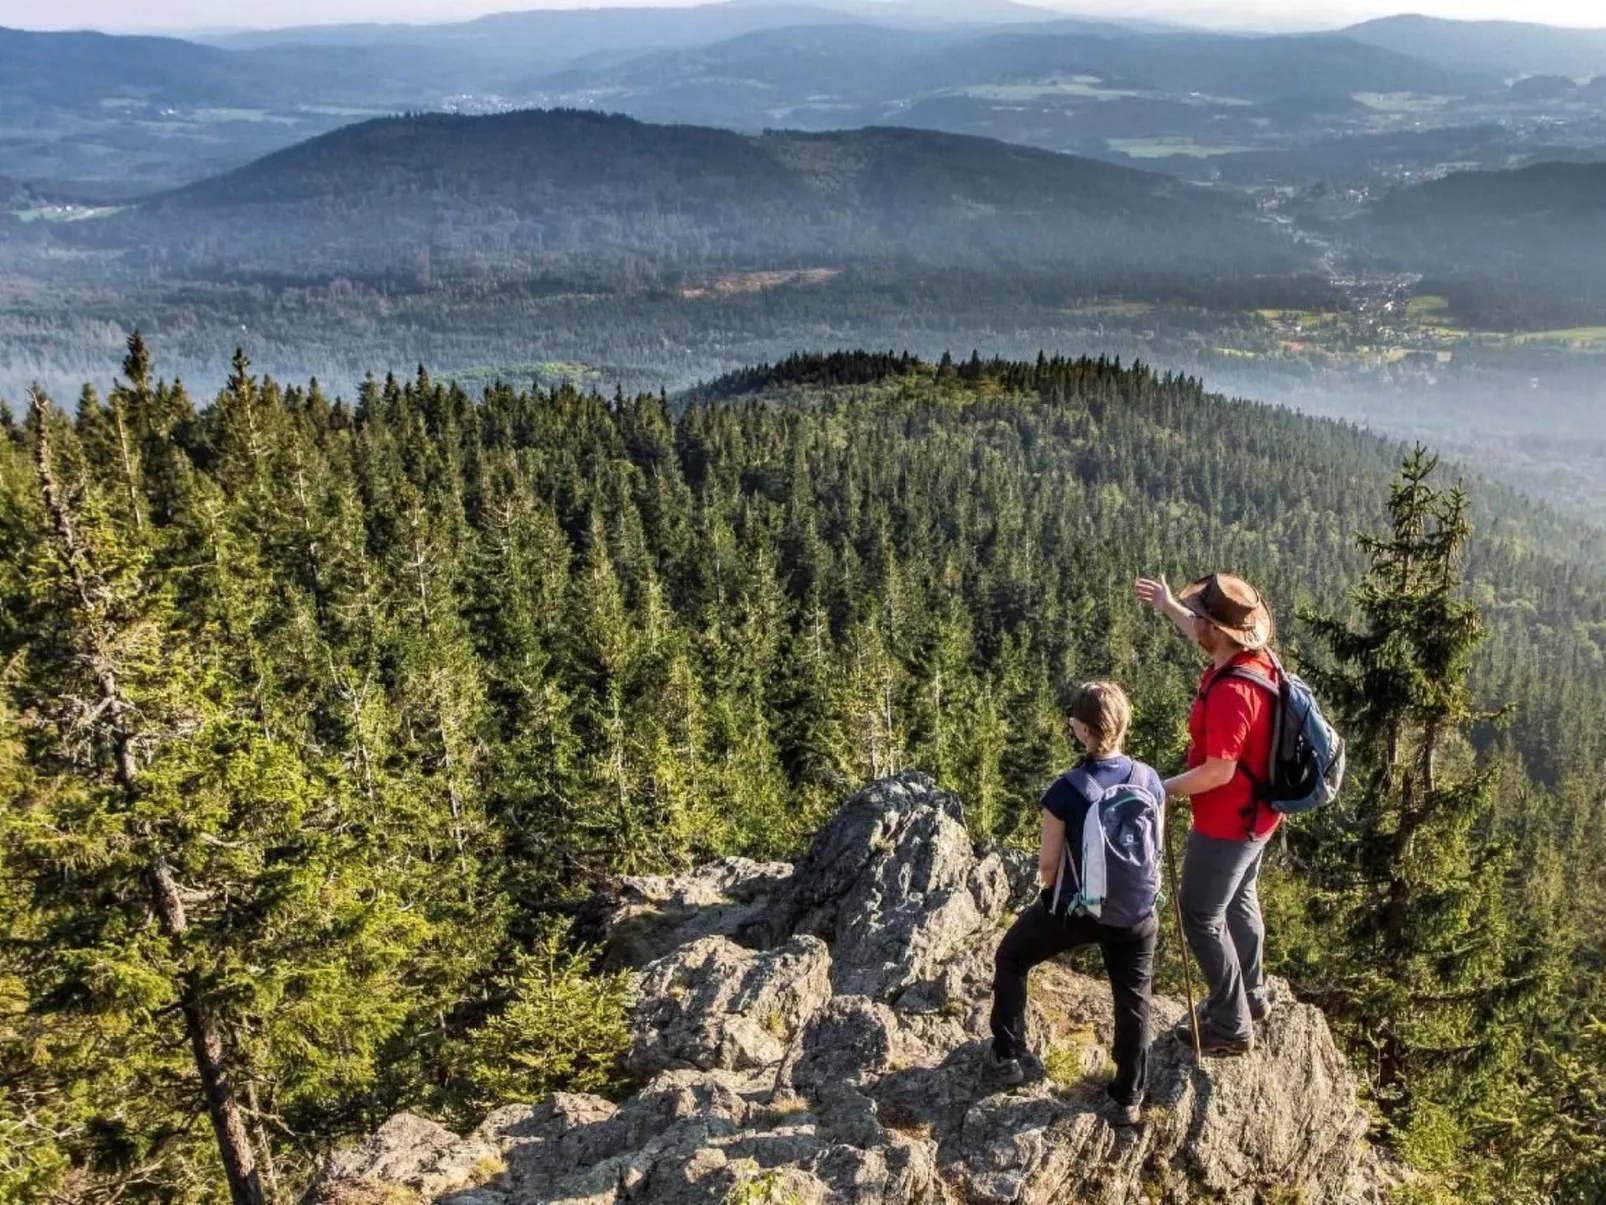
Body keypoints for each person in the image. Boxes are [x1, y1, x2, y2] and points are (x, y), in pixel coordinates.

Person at [987, 681, 1162, 1126]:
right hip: (1137, 912)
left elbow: (1048, 867)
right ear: (1124, 723)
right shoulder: (1149, 779)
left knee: (1011, 957)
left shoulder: (1067, 789)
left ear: (1082, 731)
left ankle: (1008, 1056)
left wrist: (1055, 898)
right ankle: (1128, 1097)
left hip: (1079, 910)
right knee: (1133, 998)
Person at [1134, 571, 1279, 1056]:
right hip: (1258, 815)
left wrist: (1161, 789)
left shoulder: (1232, 692)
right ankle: (1251, 995)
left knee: (1200, 915)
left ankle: (1231, 1023)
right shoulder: (1253, 661)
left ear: (1217, 629)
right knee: (1240, 897)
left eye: (1198, 617)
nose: (1193, 621)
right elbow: (1201, 631)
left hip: (1227, 823)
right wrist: (1168, 606)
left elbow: (1219, 770)